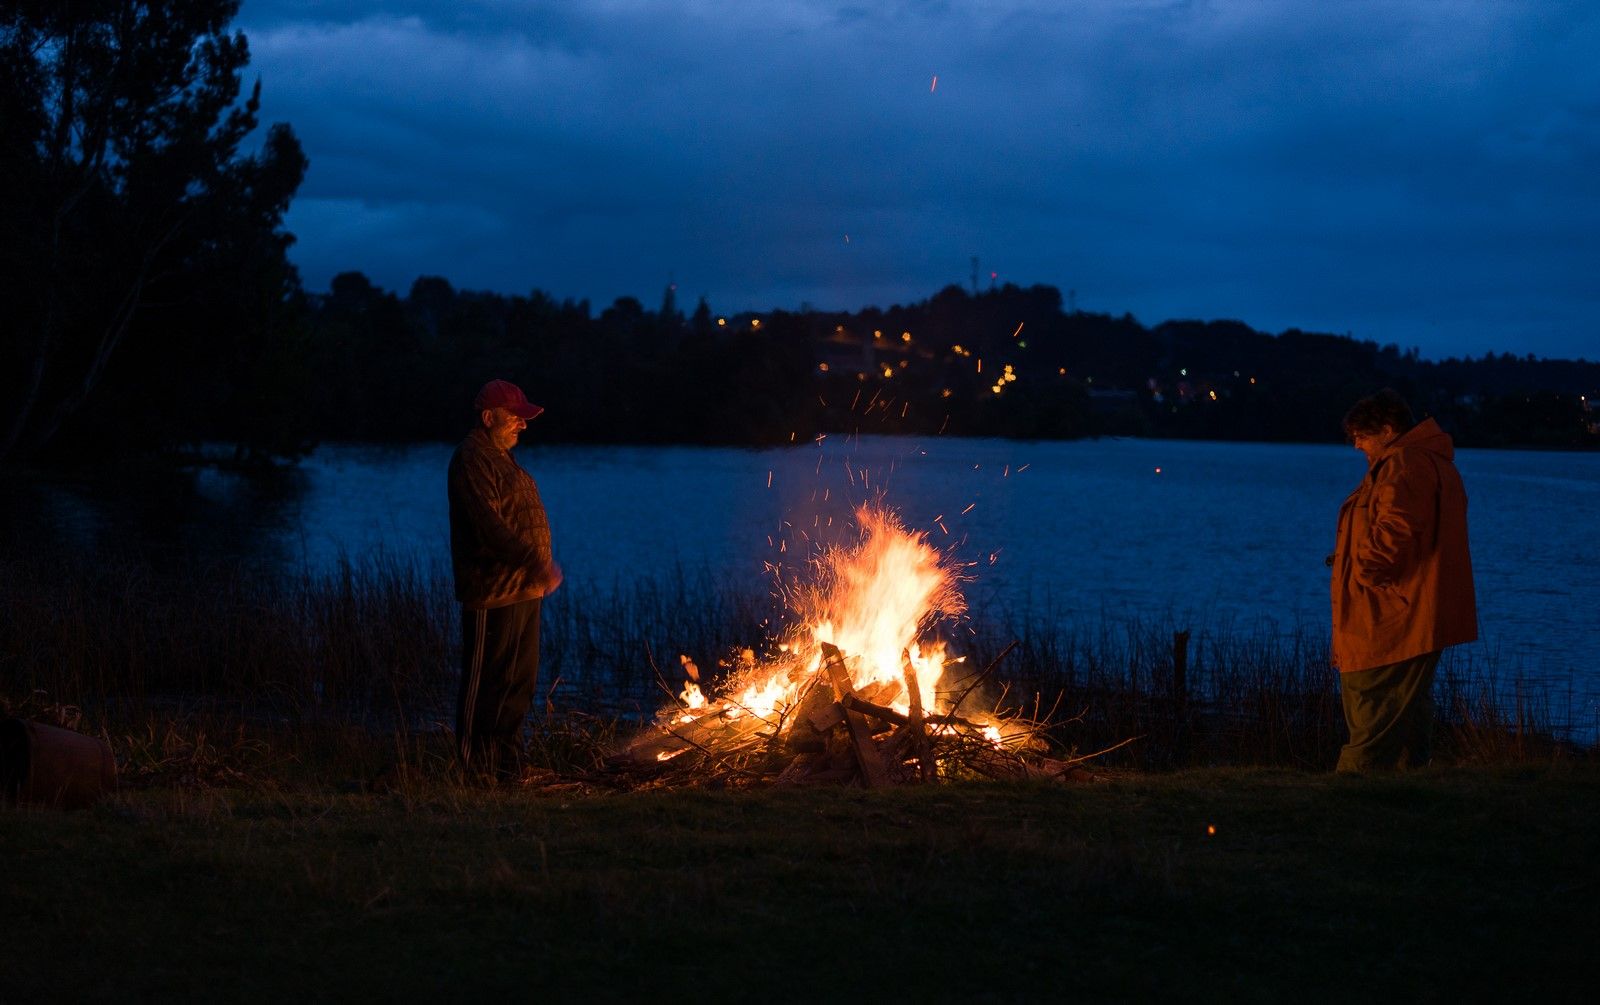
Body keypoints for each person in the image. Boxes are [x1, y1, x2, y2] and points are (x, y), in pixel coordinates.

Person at [1329, 388, 1477, 772]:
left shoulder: (1404, 464)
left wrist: (1364, 570)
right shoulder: (1428, 462)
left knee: (1373, 706)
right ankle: (1407, 790)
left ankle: (1350, 797)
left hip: (1393, 614)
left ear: (1388, 429)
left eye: (1362, 436)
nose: (1357, 445)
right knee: (1407, 709)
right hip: (1414, 609)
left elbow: (1397, 529)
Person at [447, 379, 563, 781]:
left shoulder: (500, 457)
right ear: (488, 417)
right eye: (515, 417)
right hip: (492, 593)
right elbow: (488, 526)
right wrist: (535, 561)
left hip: (523, 590)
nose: (523, 425)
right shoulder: (472, 459)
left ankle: (508, 767)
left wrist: (534, 570)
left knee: (517, 685)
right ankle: (473, 771)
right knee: (486, 685)